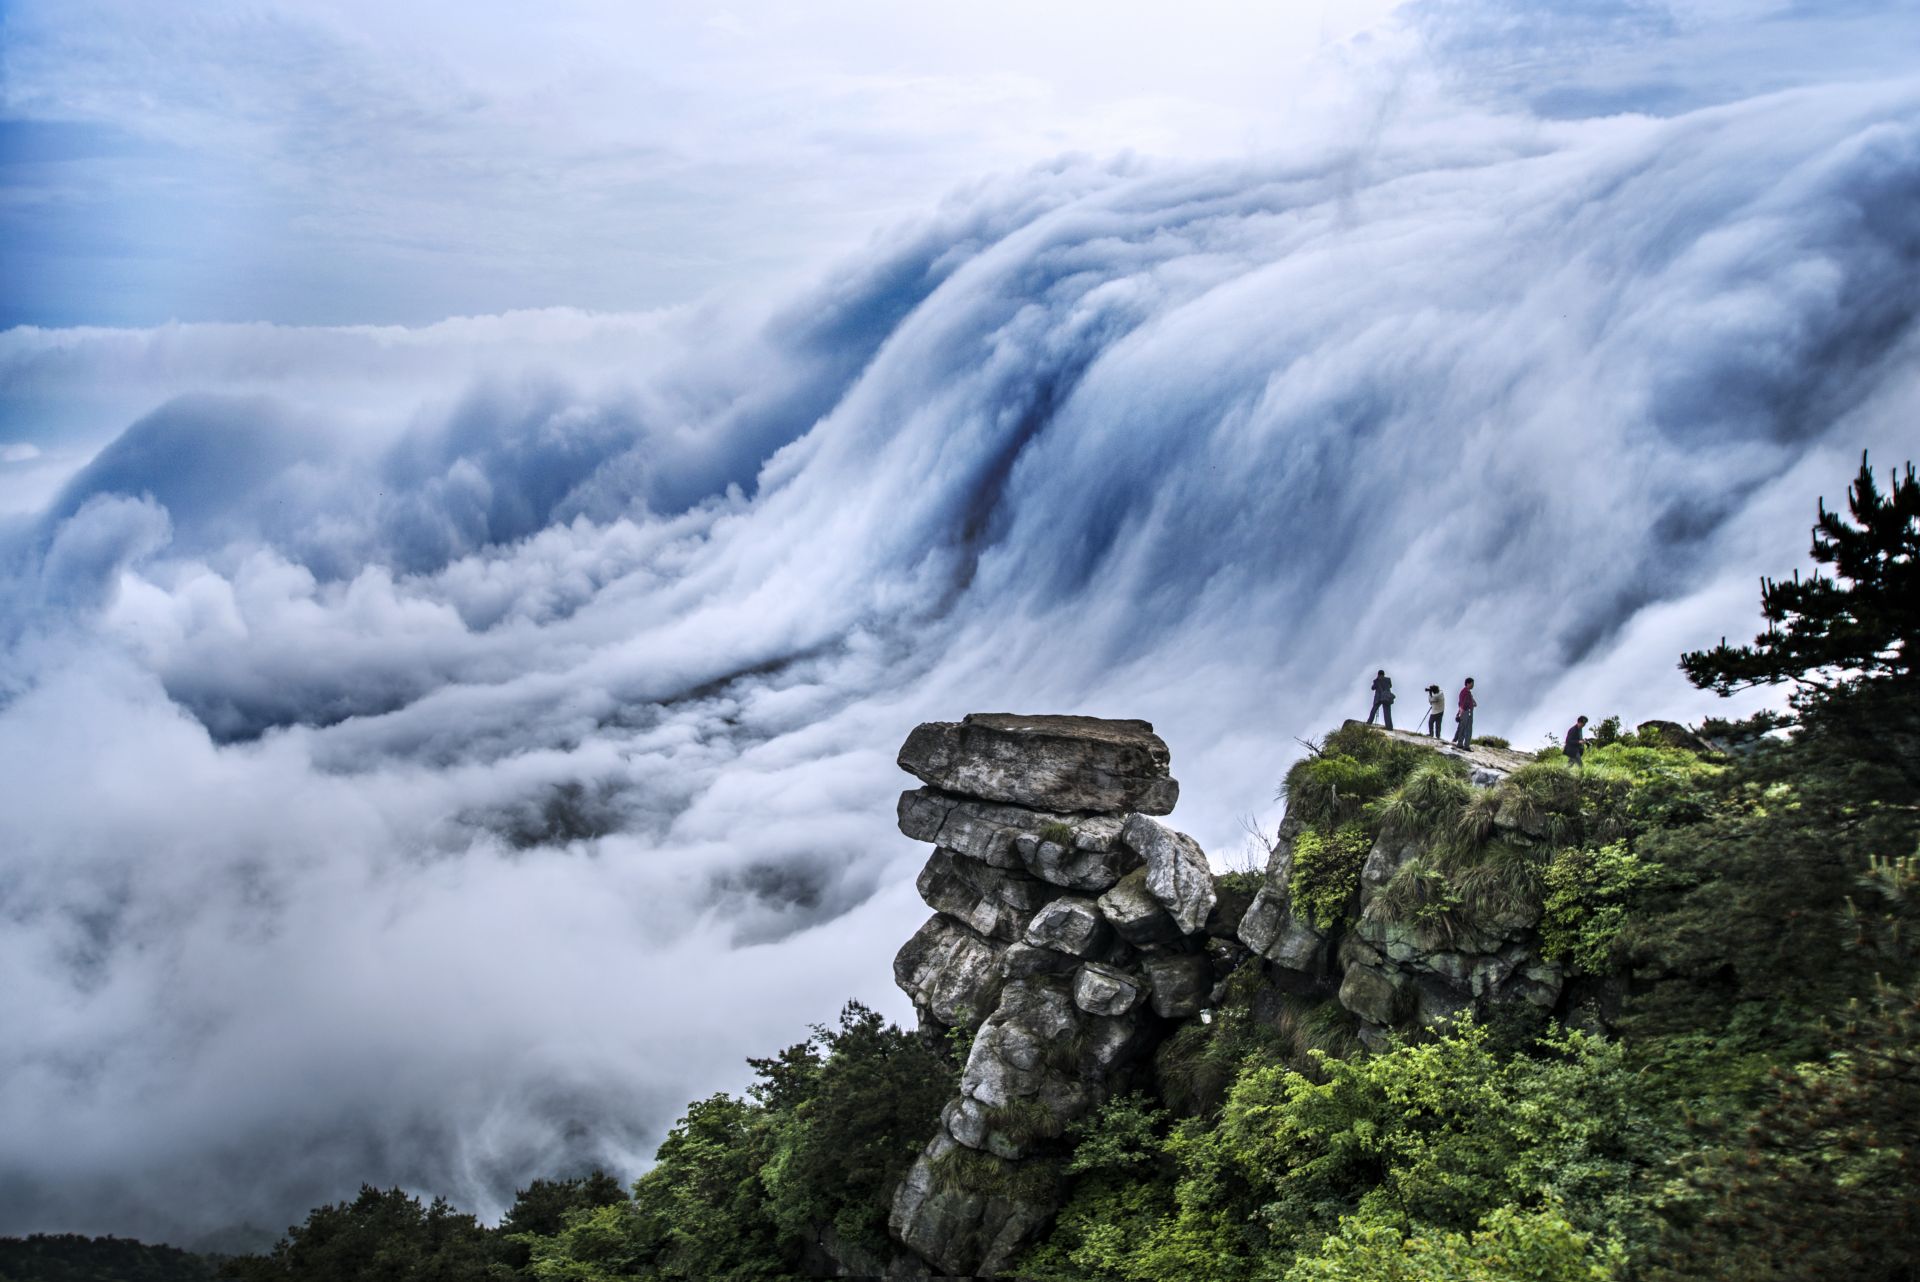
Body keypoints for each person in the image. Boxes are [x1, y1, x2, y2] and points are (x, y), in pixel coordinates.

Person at [1452, 677, 1477, 747]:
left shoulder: (1464, 691)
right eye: (1472, 684)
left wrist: (1459, 713)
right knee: (1468, 729)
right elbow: (1463, 703)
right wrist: (1460, 712)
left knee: (1462, 728)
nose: (1473, 685)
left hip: (1464, 711)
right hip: (1467, 712)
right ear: (1468, 683)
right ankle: (1466, 746)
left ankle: (1460, 744)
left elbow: (1461, 703)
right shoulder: (1466, 692)